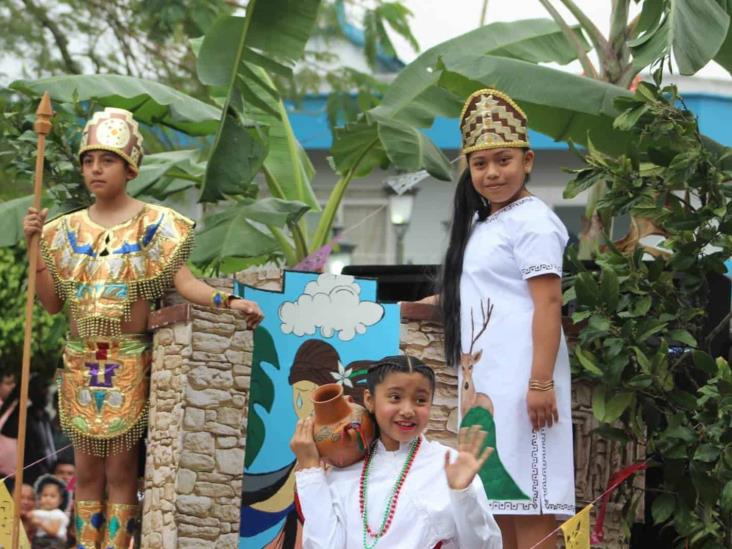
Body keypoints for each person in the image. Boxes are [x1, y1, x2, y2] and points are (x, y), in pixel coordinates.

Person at [22, 107, 264, 549]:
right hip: (78, 361)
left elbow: (185, 283)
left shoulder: (155, 225)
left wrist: (227, 301)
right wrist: (35, 249)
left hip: (128, 359)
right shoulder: (61, 231)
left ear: (129, 168)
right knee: (86, 472)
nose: (96, 169)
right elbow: (53, 304)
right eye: (89, 160)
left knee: (119, 472)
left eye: (107, 160)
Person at [436, 88, 575, 548]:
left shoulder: (533, 221)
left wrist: (540, 382)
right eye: (480, 164)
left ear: (528, 160)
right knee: (499, 511)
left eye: (503, 160)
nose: (492, 173)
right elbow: (472, 294)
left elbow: (548, 303)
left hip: (523, 385)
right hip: (488, 385)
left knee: (533, 509)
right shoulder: (484, 224)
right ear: (468, 169)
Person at [290, 354, 502, 548]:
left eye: (420, 400)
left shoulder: (449, 465)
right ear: (369, 400)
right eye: (395, 397)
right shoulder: (342, 474)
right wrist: (310, 468)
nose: (408, 411)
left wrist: (463, 494)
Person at [30, 474, 70, 549]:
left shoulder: (57, 514)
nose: (48, 499)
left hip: (53, 542)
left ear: (60, 500)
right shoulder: (38, 512)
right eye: (45, 495)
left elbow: (54, 531)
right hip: (39, 540)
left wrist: (40, 523)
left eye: (52, 496)